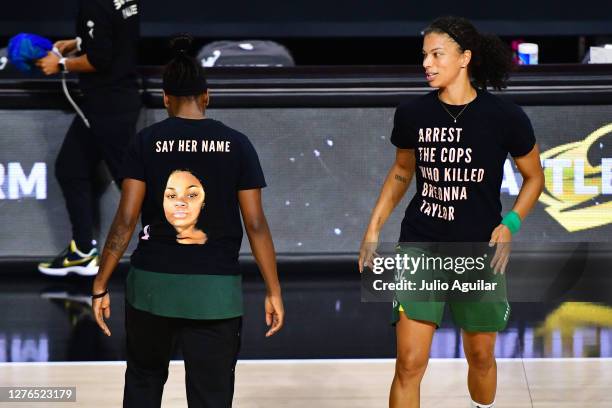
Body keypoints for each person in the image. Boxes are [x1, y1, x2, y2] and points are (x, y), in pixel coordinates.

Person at [358, 16, 544, 408]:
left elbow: (534, 179)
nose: (427, 63)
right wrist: (373, 227)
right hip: (420, 245)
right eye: (424, 55)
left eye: (437, 54)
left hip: (478, 251)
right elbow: (401, 173)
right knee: (409, 364)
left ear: (465, 58)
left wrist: (510, 223)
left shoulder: (505, 117)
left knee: (480, 358)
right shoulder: (412, 114)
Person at [90, 34, 284, 408]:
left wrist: (100, 282)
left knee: (144, 384)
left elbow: (126, 219)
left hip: (151, 288)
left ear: (165, 98)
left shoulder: (146, 141)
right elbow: (256, 224)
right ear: (206, 95)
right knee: (210, 397)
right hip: (214, 295)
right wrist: (273, 290)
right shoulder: (237, 143)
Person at [36, 0, 141, 276]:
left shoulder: (93, 6)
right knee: (71, 168)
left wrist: (60, 65)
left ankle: (178, 249)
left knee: (130, 181)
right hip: (117, 100)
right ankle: (83, 250)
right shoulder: (125, 1)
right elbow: (114, 38)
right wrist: (78, 41)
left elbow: (99, 60)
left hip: (107, 105)